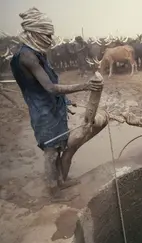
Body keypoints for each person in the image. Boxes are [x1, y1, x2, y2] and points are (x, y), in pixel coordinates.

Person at [10, 7, 103, 200]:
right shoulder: (27, 55)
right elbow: (50, 88)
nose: (50, 39)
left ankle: (61, 180)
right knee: (51, 151)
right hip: (42, 109)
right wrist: (85, 85)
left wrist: (65, 101)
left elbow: (50, 83)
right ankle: (54, 191)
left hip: (53, 106)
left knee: (60, 143)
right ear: (36, 32)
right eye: (47, 34)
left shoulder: (37, 52)